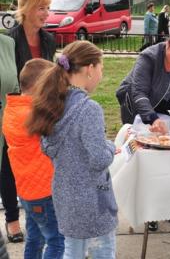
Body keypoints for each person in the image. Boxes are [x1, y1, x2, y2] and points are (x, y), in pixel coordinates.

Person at [25, 40, 117, 259]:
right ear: (89, 69)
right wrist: (111, 146)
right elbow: (98, 159)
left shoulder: (52, 102)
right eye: (101, 68)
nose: (101, 74)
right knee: (103, 251)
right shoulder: (89, 109)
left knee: (72, 252)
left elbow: (48, 147)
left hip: (66, 197)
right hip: (93, 201)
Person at [3, 0, 55, 243]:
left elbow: (51, 74)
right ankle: (12, 220)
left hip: (41, 108)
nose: (46, 14)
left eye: (48, 8)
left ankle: (36, 212)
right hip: (16, 108)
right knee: (9, 163)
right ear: (28, 9)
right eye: (41, 8)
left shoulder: (49, 39)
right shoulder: (10, 39)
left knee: (38, 163)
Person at [3, 59, 65, 258]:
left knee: (34, 238)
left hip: (27, 191)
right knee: (57, 241)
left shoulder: (13, 109)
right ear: (41, 86)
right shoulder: (33, 115)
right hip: (44, 192)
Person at [117, 21, 170, 129]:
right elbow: (139, 92)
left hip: (167, 109)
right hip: (138, 109)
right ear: (168, 44)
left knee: (169, 140)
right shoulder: (148, 57)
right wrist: (152, 118)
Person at [0, 35, 20, 244]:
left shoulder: (7, 43)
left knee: (6, 172)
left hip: (6, 124)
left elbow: (14, 89)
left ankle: (12, 219)